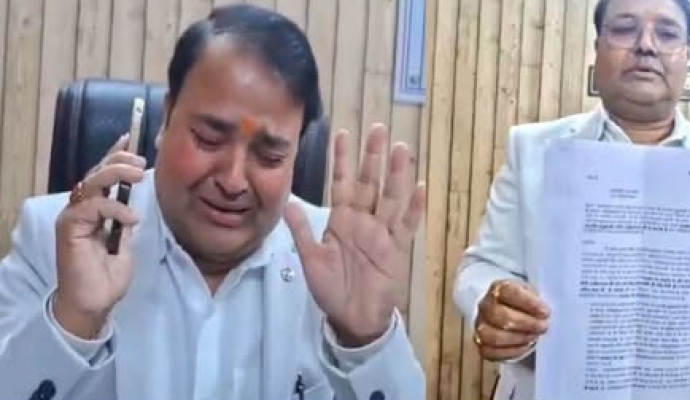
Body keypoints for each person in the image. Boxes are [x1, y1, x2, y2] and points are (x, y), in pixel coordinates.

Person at [0, 4, 426, 400]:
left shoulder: (337, 263)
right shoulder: (55, 239)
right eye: (207, 138)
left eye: (270, 156)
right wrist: (73, 319)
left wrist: (364, 342)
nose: (233, 180)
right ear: (166, 119)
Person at [454, 0, 690, 399]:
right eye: (624, 28)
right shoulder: (533, 148)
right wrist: (494, 303)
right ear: (597, 49)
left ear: (686, 54)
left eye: (667, 33)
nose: (646, 45)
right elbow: (484, 265)